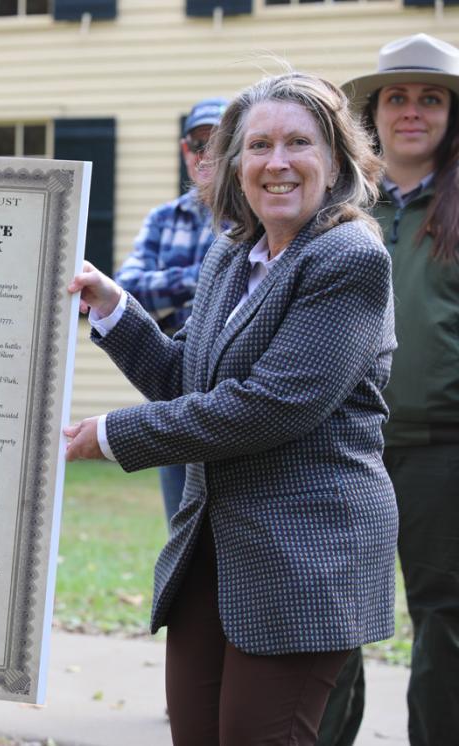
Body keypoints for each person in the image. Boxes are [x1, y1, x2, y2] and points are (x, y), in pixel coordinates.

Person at [63, 71, 397, 746]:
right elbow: (189, 376)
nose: (277, 163)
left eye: (299, 142)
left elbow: (269, 407)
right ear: (234, 164)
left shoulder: (348, 258)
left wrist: (111, 435)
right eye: (259, 145)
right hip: (212, 553)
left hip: (304, 557)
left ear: (335, 161)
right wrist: (112, 307)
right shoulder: (231, 254)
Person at [318, 33, 459, 746]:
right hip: (344, 449)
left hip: (444, 452)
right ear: (372, 114)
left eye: (430, 98)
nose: (412, 111)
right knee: (333, 619)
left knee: (448, 620)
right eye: (396, 97)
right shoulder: (338, 210)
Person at [114, 96, 226, 525]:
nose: (207, 154)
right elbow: (128, 292)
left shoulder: (262, 218)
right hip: (170, 396)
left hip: (229, 398)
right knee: (180, 528)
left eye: (220, 143)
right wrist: (203, 277)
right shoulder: (163, 219)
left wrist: (171, 287)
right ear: (185, 152)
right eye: (199, 143)